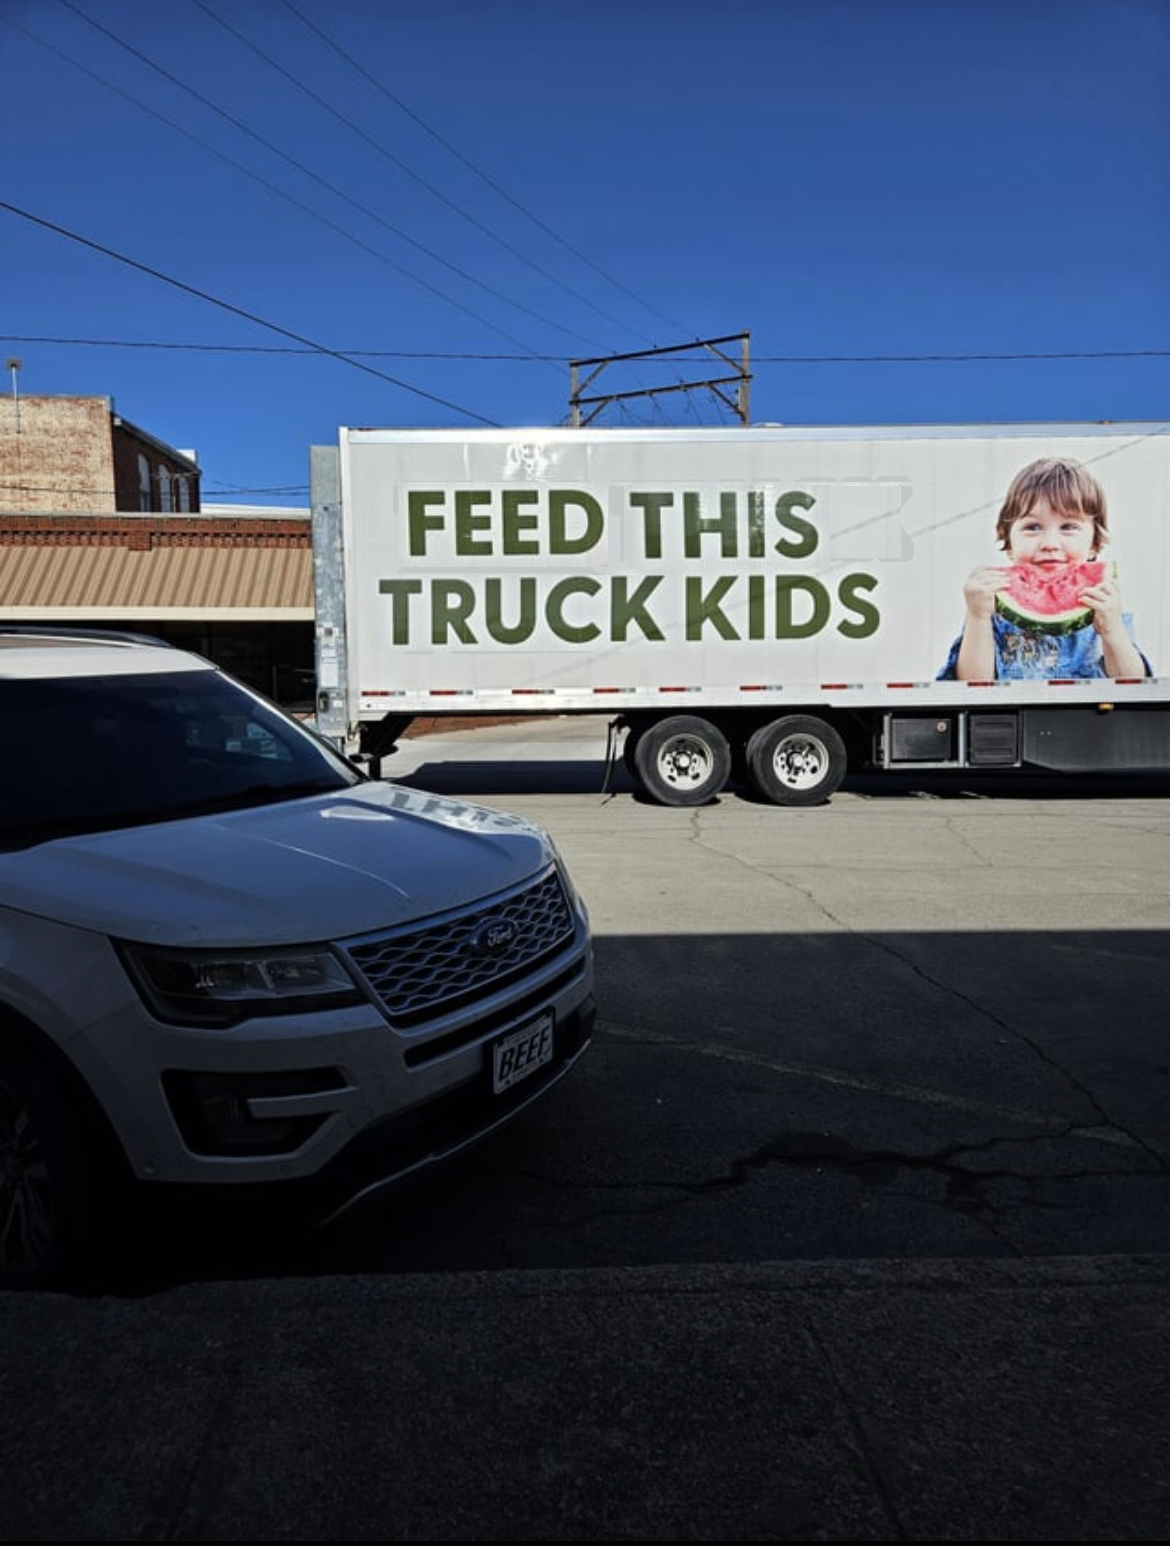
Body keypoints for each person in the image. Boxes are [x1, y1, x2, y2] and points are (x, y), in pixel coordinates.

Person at [937, 456, 1151, 681]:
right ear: (1009, 543)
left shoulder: (1106, 610)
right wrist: (977, 616)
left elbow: (1133, 685)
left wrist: (1112, 631)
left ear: (1094, 543)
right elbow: (972, 686)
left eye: (1068, 527)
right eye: (1033, 527)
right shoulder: (994, 613)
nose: (1049, 543)